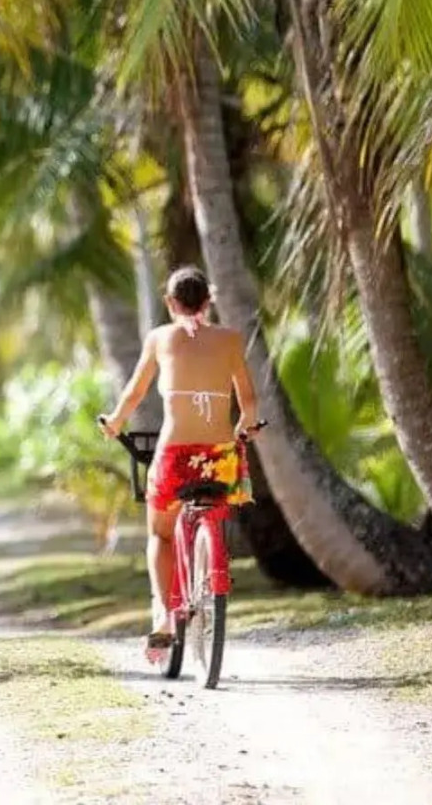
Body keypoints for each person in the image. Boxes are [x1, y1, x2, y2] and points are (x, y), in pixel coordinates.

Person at [98, 266, 261, 656]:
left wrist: (114, 424)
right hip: (220, 459)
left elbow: (134, 393)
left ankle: (163, 617)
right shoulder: (231, 339)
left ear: (170, 303)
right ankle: (211, 553)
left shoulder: (159, 338)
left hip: (175, 457)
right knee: (213, 509)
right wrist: (244, 428)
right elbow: (249, 403)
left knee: (161, 534)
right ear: (209, 300)